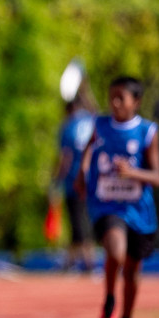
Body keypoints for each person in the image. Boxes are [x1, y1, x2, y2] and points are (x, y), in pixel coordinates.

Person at [79, 77, 159, 318]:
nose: (114, 103)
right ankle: (110, 298)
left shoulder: (147, 132)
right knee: (116, 249)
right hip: (107, 206)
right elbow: (88, 152)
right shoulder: (99, 125)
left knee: (132, 272)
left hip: (139, 212)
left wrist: (132, 173)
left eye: (121, 98)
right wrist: (83, 171)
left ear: (135, 102)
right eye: (111, 97)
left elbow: (158, 176)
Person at [52, 99, 97, 271]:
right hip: (93, 179)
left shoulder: (68, 127)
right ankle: (70, 261)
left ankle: (88, 261)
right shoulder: (92, 121)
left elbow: (66, 157)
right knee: (83, 218)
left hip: (74, 180)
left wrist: (56, 179)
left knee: (77, 220)